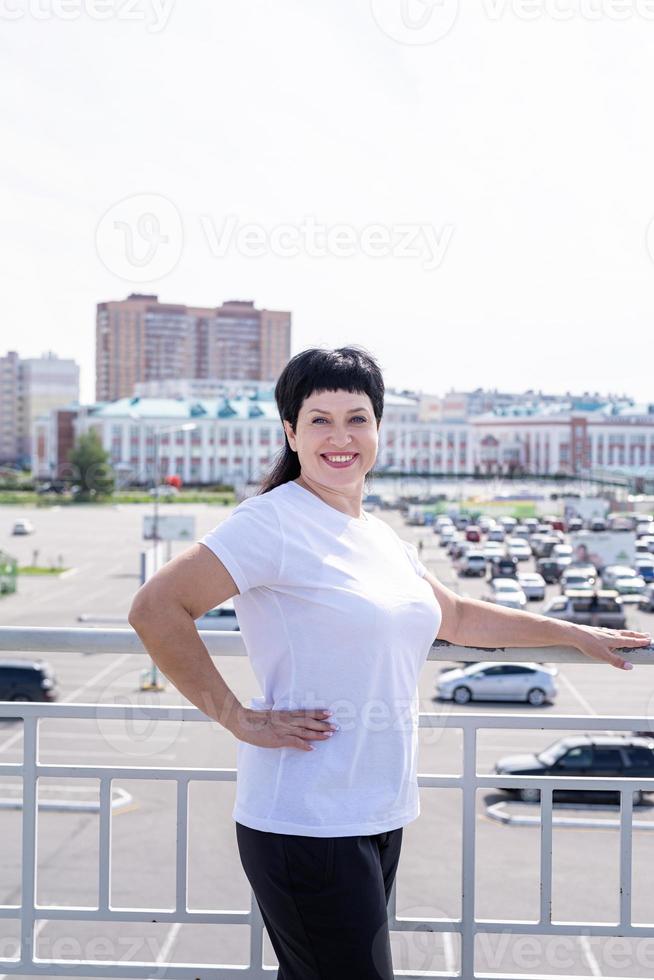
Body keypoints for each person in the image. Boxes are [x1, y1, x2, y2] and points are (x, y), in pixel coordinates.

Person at [128, 346, 651, 980]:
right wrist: (237, 718)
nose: (340, 437)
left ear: (380, 428)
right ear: (290, 432)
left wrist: (571, 633)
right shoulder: (272, 523)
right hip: (306, 818)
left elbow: (456, 617)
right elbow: (156, 608)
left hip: (376, 810)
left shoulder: (378, 536)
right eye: (319, 420)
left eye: (358, 418)